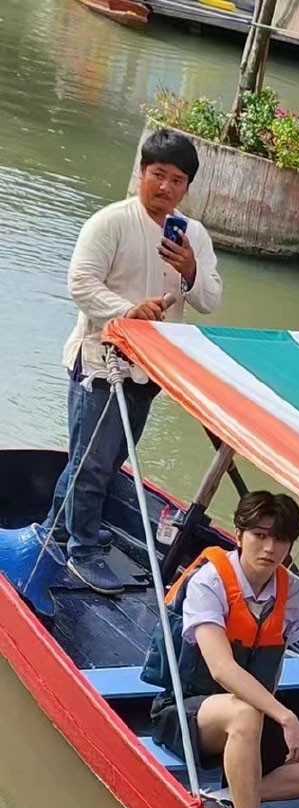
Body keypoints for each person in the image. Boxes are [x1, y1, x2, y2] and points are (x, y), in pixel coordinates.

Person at [35, 128, 222, 596]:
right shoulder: (110, 222)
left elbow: (210, 300)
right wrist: (127, 311)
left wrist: (191, 270)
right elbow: (81, 283)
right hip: (102, 362)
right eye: (158, 175)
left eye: (177, 180)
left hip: (150, 369)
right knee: (93, 462)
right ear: (141, 172)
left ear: (187, 187)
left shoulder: (194, 235)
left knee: (111, 457)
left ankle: (57, 527)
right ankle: (82, 550)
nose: (166, 187)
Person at [145, 492, 299, 808]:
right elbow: (221, 667)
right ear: (239, 534)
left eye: (280, 539)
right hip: (189, 712)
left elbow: (274, 664)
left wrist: (278, 721)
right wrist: (285, 717)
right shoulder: (210, 581)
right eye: (260, 535)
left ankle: (231, 796)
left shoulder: (294, 592)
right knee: (244, 712)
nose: (269, 548)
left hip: (256, 715)